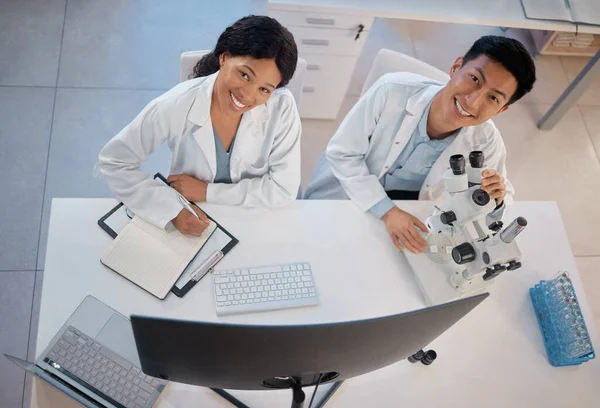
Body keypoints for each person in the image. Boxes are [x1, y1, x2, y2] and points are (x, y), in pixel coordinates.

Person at [304, 36, 536, 254]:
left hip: (409, 218)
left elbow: (504, 197)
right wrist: (387, 211)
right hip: (347, 194)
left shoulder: (487, 143)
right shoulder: (391, 91)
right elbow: (342, 154)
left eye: (493, 98)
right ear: (456, 67)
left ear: (502, 109)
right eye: (474, 79)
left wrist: (496, 198)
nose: (473, 101)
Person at [98, 15, 300, 236]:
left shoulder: (281, 107)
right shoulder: (174, 105)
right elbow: (115, 162)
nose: (248, 95)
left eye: (265, 89)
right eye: (244, 75)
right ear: (224, 57)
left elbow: (283, 190)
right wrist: (171, 210)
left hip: (256, 220)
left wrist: (207, 191)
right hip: (193, 216)